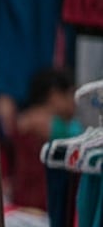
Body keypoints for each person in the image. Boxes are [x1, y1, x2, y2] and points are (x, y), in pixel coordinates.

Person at [10, 68, 82, 209]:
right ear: (54, 95)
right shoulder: (51, 126)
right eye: (70, 94)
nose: (74, 102)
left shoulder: (23, 120)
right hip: (42, 209)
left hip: (22, 204)